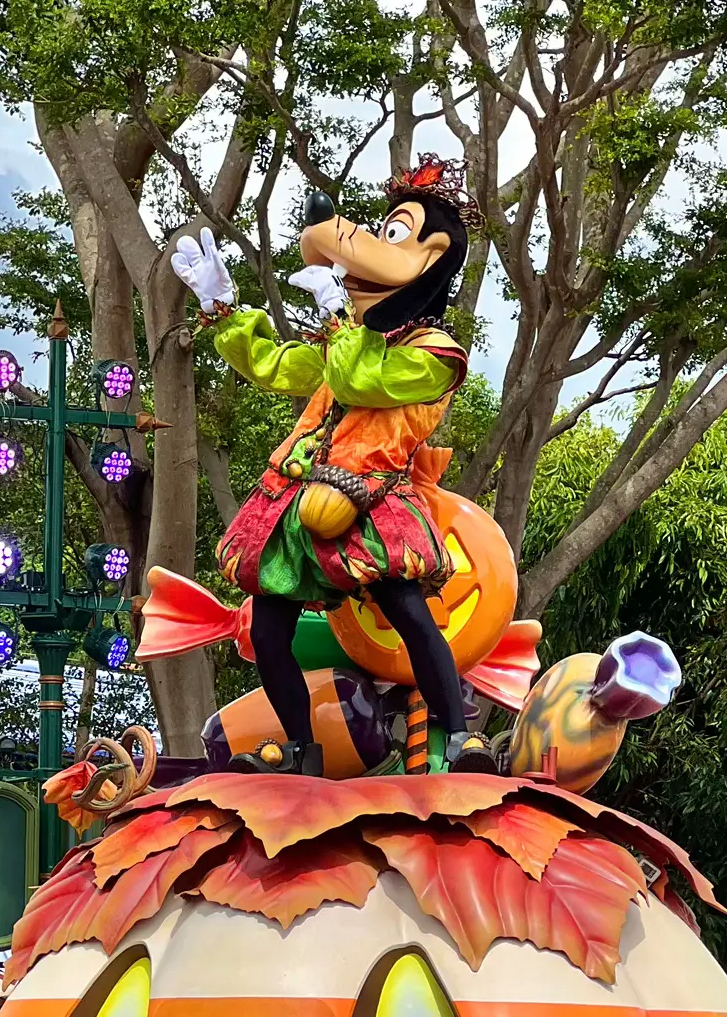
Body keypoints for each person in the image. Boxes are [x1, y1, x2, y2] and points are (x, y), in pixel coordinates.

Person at [171, 160, 498, 775]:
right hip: (296, 498)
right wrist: (224, 310)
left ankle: (460, 742)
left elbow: (361, 380)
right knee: (269, 633)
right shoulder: (344, 337)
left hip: (371, 499)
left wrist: (335, 315)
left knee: (409, 615)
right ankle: (302, 753)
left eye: (396, 236)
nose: (375, 247)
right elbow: (276, 366)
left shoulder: (436, 354)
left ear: (433, 258)